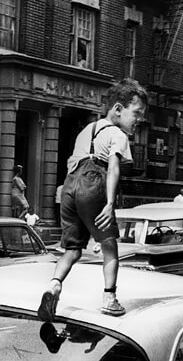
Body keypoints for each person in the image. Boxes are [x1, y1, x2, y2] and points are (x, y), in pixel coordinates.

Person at [38, 78, 148, 320]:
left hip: (69, 187)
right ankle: (109, 299)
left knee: (73, 249)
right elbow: (113, 169)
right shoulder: (117, 134)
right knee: (110, 248)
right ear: (118, 109)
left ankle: (53, 285)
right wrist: (109, 203)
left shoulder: (85, 131)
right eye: (136, 113)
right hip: (93, 183)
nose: (139, 119)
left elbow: (73, 165)